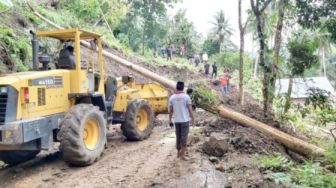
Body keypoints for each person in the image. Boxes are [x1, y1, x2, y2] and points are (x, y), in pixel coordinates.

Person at [169, 81, 195, 160]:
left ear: (176, 87)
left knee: (178, 137)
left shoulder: (172, 97)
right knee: (184, 138)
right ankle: (183, 155)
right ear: (183, 88)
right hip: (185, 121)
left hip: (177, 121)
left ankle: (178, 153)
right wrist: (193, 119)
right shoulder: (186, 97)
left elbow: (171, 111)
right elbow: (190, 110)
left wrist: (170, 120)